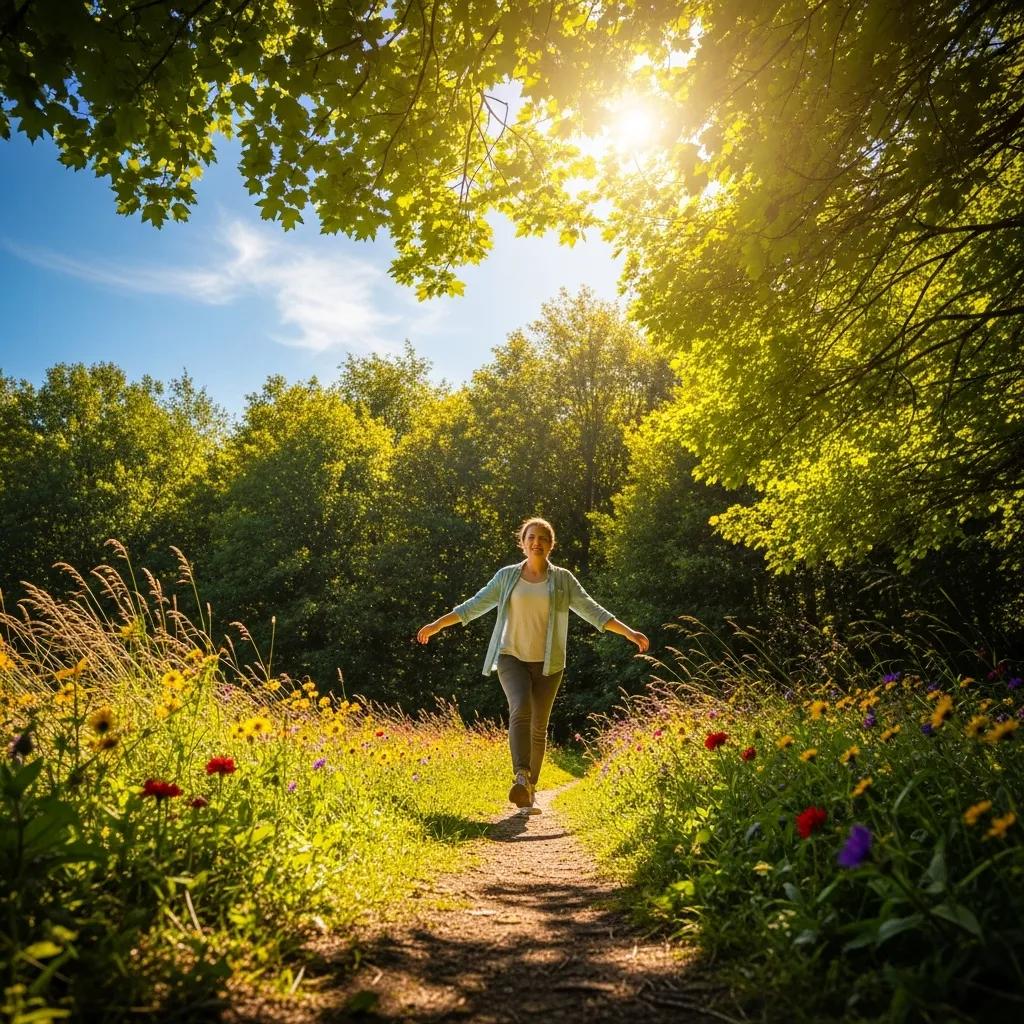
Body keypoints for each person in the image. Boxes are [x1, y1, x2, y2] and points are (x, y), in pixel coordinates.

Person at [416, 517, 649, 815]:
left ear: (551, 545)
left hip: (549, 663)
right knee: (520, 708)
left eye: (543, 538)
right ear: (523, 543)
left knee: (539, 727)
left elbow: (591, 609)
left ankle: (529, 790)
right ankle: (520, 774)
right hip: (511, 656)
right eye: (531, 537)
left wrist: (628, 631)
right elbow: (474, 605)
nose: (536, 542)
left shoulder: (563, 579)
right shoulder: (506, 577)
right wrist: (438, 625)